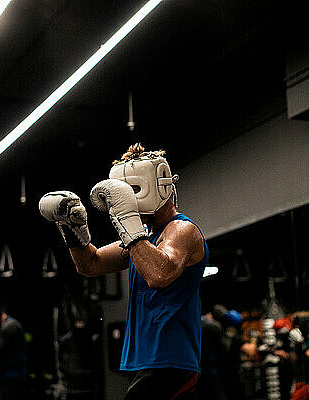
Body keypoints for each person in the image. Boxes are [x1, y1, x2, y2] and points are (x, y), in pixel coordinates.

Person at [39, 143, 208, 400]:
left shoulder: (182, 230)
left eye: (134, 190)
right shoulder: (142, 239)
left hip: (170, 360)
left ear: (159, 185)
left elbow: (159, 274)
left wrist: (127, 220)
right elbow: (90, 264)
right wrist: (73, 229)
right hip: (142, 361)